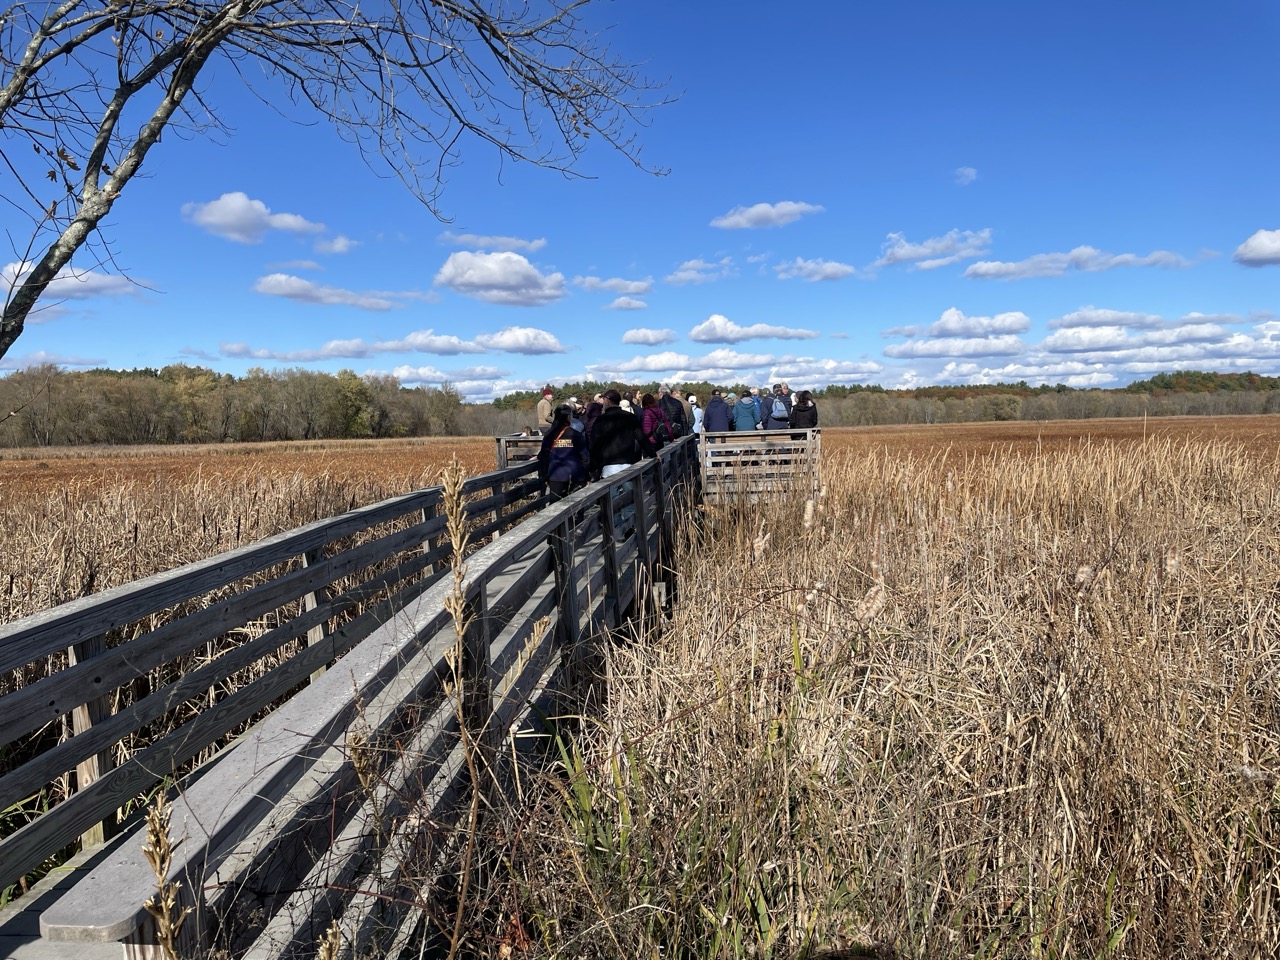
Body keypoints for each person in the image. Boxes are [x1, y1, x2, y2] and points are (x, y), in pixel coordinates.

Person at [589, 388, 655, 479]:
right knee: (632, 492)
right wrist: (653, 454)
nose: (603, 403)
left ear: (608, 401)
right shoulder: (630, 417)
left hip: (608, 466)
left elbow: (594, 445)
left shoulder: (600, 420)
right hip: (628, 463)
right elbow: (641, 438)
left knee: (613, 492)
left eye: (604, 400)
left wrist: (592, 467)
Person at [537, 404, 590, 500]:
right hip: (575, 476)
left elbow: (543, 456)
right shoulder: (576, 435)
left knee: (556, 509)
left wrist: (544, 476)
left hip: (556, 477)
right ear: (569, 418)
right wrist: (586, 477)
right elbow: (585, 458)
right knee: (576, 509)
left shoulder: (549, 435)